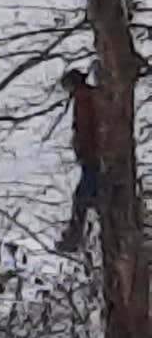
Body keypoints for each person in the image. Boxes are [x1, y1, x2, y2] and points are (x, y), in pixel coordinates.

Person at [63, 66, 109, 256]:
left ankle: (75, 239)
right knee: (94, 198)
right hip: (95, 156)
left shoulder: (84, 99)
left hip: (92, 157)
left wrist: (84, 151)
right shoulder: (90, 97)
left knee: (83, 198)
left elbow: (86, 129)